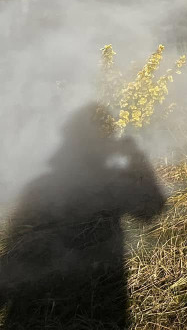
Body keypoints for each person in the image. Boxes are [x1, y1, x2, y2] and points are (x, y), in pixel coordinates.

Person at [0, 103, 165, 329]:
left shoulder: (44, 186)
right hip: (62, 306)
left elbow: (150, 209)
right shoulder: (44, 187)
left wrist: (135, 161)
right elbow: (151, 208)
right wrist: (136, 160)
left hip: (87, 304)